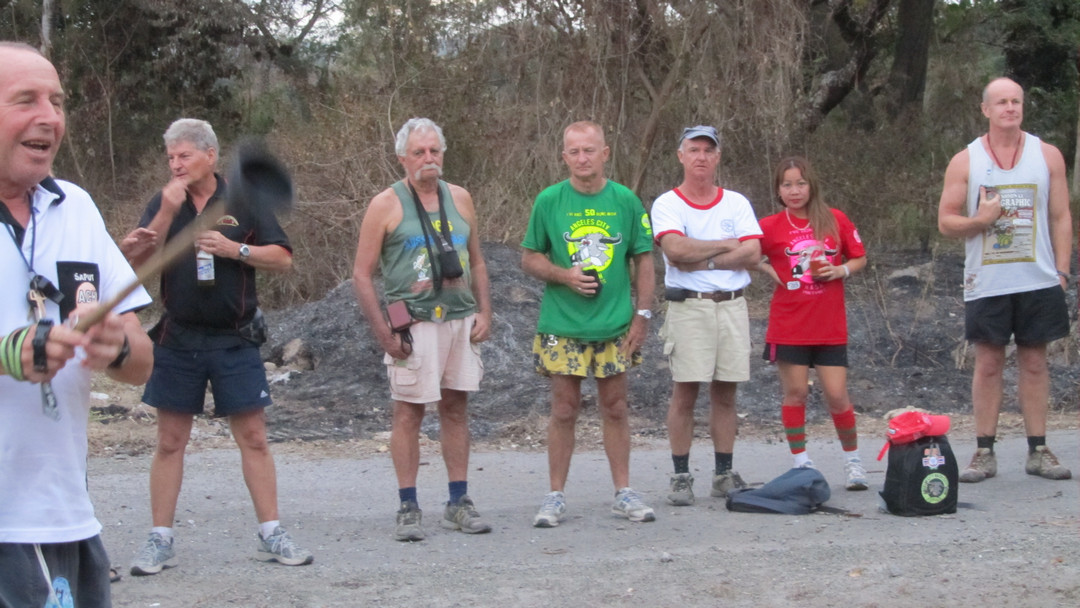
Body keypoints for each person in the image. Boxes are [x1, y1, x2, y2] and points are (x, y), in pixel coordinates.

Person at [122, 118, 312, 575]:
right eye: (170, 157)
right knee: (170, 441)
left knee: (254, 438)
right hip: (178, 337)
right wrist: (162, 215)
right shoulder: (164, 201)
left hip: (235, 337)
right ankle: (159, 539)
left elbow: (283, 258)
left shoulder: (242, 199)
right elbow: (133, 263)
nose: (176, 164)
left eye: (184, 155)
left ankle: (271, 532)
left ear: (210, 155)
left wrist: (235, 250)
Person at [0, 41, 153, 607]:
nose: (50, 117)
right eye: (26, 100)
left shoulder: (77, 208)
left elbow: (141, 363)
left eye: (57, 101)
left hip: (65, 516)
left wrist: (115, 346)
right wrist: (7, 354)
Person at [352, 118, 493, 541]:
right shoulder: (385, 204)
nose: (428, 158)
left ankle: (458, 501)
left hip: (460, 319)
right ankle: (408, 506)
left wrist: (485, 312)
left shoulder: (460, 198)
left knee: (456, 409)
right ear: (402, 158)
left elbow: (477, 261)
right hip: (413, 323)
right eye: (419, 152)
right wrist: (384, 332)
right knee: (408, 412)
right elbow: (362, 274)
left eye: (434, 150)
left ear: (443, 153)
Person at [937, 77, 1073, 483]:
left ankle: (1038, 450)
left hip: (1038, 279)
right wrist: (980, 221)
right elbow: (946, 221)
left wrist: (1062, 271)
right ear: (986, 110)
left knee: (1034, 362)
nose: (1010, 108)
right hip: (989, 280)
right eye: (1001, 102)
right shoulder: (966, 160)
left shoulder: (1047, 155)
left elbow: (1061, 216)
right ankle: (984, 451)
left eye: (1016, 101)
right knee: (989, 363)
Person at [522, 120, 656, 526]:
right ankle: (554, 496)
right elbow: (529, 257)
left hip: (615, 325)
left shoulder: (626, 201)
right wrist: (565, 275)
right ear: (564, 157)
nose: (583, 158)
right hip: (562, 325)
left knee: (615, 408)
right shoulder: (549, 201)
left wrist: (642, 315)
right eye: (575, 151)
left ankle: (624, 492)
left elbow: (644, 260)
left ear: (605, 153)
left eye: (589, 150)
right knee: (563, 409)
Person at [650, 125, 762, 506]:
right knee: (685, 391)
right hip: (690, 305)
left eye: (707, 150)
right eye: (693, 149)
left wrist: (707, 259)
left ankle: (723, 473)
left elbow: (752, 252)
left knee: (726, 392)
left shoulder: (736, 203)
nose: (701, 157)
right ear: (681, 156)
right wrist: (726, 245)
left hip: (731, 303)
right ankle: (681, 475)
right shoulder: (668, 203)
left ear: (717, 157)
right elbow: (675, 249)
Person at [756, 156, 868, 490]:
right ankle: (801, 462)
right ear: (778, 190)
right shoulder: (770, 225)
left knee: (837, 395)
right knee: (796, 393)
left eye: (800, 183)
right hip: (789, 324)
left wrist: (841, 270)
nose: (794, 191)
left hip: (829, 325)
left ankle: (853, 462)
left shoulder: (834, 219)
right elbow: (746, 254)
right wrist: (768, 269)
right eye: (787, 184)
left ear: (811, 186)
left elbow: (859, 257)